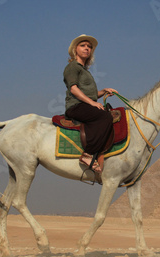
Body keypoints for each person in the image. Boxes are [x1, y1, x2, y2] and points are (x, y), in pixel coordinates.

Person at [63, 34, 118, 173]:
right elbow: (74, 89)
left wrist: (103, 91)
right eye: (83, 46)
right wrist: (93, 103)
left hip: (84, 104)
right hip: (75, 106)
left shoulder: (85, 71)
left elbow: (89, 94)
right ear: (75, 49)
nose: (87, 48)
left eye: (89, 47)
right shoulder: (72, 67)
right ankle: (87, 154)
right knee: (104, 117)